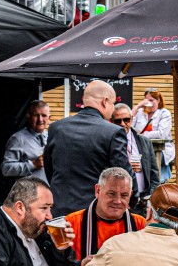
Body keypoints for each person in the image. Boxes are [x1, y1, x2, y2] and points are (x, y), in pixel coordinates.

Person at [45, 80, 131, 217]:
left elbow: (49, 169)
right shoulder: (113, 132)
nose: (113, 108)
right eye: (113, 104)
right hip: (93, 214)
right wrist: (134, 197)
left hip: (59, 209)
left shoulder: (56, 128)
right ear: (105, 101)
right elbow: (123, 174)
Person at [65, 168, 146, 265]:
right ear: (98, 191)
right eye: (111, 194)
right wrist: (80, 265)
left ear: (130, 195)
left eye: (124, 195)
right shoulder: (71, 223)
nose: (118, 201)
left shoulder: (141, 225)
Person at [109, 103, 159, 215]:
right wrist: (126, 167)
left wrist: (150, 198)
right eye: (118, 121)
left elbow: (154, 175)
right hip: (120, 202)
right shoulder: (109, 143)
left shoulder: (144, 141)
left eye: (126, 119)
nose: (122, 124)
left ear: (132, 119)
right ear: (112, 122)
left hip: (143, 204)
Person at [1, 100, 51, 184]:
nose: (40, 119)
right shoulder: (17, 139)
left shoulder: (52, 137)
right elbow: (5, 169)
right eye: (36, 115)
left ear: (49, 118)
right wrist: (33, 164)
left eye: (44, 115)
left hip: (51, 193)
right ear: (29, 117)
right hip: (29, 195)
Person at [133, 87, 174, 182]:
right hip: (141, 148)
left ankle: (153, 184)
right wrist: (138, 106)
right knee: (133, 159)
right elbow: (129, 126)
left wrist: (142, 135)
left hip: (161, 149)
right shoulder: (140, 112)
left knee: (146, 159)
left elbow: (161, 134)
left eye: (151, 100)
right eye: (146, 100)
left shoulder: (164, 113)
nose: (149, 103)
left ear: (158, 100)